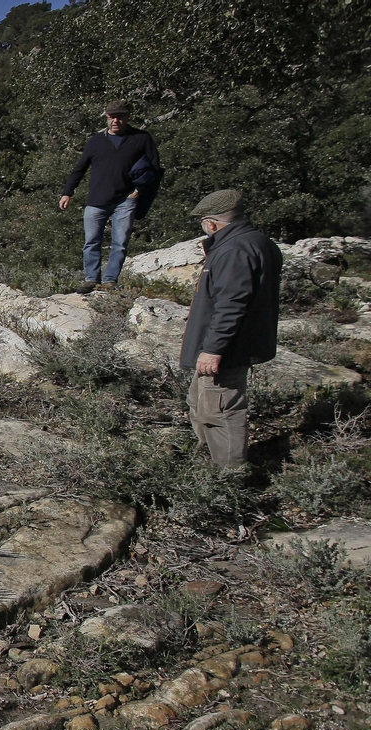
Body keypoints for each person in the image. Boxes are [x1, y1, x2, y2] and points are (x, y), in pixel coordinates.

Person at [180, 189, 282, 467]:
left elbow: (231, 304)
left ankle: (227, 477)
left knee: (221, 412)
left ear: (211, 223)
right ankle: (206, 461)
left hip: (226, 349)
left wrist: (213, 349)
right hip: (230, 342)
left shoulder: (233, 249)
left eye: (202, 221)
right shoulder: (258, 241)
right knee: (199, 402)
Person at [59, 100, 162, 291]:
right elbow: (79, 169)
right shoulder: (96, 141)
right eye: (111, 117)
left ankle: (110, 281)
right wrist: (67, 193)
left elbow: (154, 168)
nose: (115, 121)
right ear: (106, 118)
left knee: (120, 243)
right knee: (91, 242)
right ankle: (91, 279)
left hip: (125, 201)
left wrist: (139, 191)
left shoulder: (141, 138)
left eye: (120, 117)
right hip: (97, 200)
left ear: (127, 117)